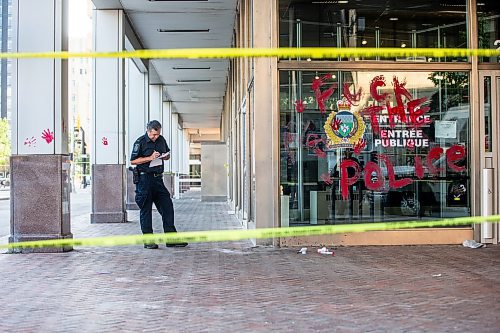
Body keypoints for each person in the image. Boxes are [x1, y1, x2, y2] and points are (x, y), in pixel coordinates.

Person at [130, 120, 188, 249]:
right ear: (148, 131)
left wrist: (164, 156)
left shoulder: (161, 140)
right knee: (146, 210)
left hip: (158, 180)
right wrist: (149, 158)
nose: (156, 137)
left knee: (167, 207)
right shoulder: (140, 142)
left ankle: (171, 239)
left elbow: (167, 155)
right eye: (153, 135)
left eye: (158, 134)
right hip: (144, 180)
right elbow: (133, 161)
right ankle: (148, 240)